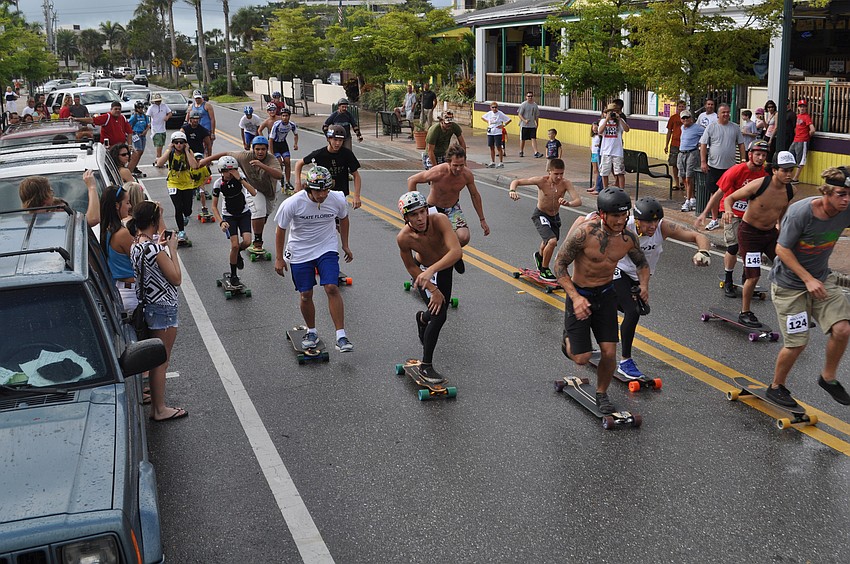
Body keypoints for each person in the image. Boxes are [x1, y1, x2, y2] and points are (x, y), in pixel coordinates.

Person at [570, 197, 711, 379]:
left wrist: (703, 251)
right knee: (632, 310)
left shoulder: (663, 228)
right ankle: (625, 361)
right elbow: (584, 220)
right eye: (648, 222)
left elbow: (699, 236)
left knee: (623, 307)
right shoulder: (623, 226)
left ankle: (595, 319)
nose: (652, 226)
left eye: (655, 221)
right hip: (618, 271)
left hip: (639, 276)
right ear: (637, 220)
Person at [554, 187, 649, 415]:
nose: (620, 220)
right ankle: (568, 341)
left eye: (624, 215)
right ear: (602, 214)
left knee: (608, 352)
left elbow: (642, 264)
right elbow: (559, 265)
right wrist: (575, 297)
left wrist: (644, 285)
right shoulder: (584, 233)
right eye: (615, 216)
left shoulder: (628, 238)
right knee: (582, 358)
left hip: (606, 295)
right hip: (581, 295)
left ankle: (601, 393)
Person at [765, 167, 850, 408]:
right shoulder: (801, 212)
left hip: (822, 279)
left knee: (843, 328)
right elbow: (781, 249)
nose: (846, 199)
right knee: (797, 343)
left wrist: (815, 279)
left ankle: (828, 377)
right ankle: (776, 387)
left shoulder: (847, 209)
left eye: (849, 194)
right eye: (841, 194)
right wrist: (807, 279)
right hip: (789, 285)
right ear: (826, 192)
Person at [274, 165, 354, 353]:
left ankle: (341, 336)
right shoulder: (293, 203)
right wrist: (279, 258)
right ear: (309, 188)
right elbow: (280, 229)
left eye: (326, 189)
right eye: (318, 190)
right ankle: (311, 331)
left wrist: (345, 244)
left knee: (331, 287)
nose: (322, 194)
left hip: (326, 247)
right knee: (306, 294)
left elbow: (344, 218)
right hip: (300, 250)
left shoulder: (336, 199)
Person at [128, 200, 187, 422]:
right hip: (164, 307)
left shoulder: (137, 244)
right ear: (152, 221)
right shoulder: (153, 248)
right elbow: (176, 278)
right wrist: (171, 250)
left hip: (149, 305)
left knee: (156, 360)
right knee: (162, 361)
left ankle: (157, 406)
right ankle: (159, 409)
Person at [724, 150, 797, 328]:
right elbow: (730, 198)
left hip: (771, 234)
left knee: (789, 268)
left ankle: (794, 312)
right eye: (784, 170)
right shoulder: (759, 185)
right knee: (754, 276)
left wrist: (780, 225)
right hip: (749, 235)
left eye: (791, 170)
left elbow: (783, 208)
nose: (788, 174)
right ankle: (745, 312)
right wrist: (728, 210)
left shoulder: (791, 190)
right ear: (774, 170)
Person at [397, 191, 462, 383]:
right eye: (413, 215)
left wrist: (432, 270)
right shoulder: (404, 238)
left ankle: (422, 318)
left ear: (427, 210)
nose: (420, 218)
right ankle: (426, 366)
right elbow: (410, 266)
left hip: (443, 267)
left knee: (436, 312)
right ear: (406, 218)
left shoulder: (440, 219)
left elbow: (456, 250)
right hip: (423, 271)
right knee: (440, 315)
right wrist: (432, 288)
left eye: (422, 212)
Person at [696, 140, 769, 298]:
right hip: (732, 212)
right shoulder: (737, 170)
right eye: (757, 154)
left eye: (763, 155)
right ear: (750, 155)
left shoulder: (765, 174)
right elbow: (718, 193)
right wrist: (704, 213)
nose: (760, 158)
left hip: (750, 215)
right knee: (733, 247)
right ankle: (728, 279)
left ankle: (746, 279)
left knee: (749, 250)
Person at [407, 144, 489, 274]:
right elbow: (412, 180)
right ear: (448, 162)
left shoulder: (466, 175)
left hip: (452, 208)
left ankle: (452, 254)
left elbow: (475, 195)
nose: (458, 169)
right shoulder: (438, 172)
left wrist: (482, 219)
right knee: (431, 242)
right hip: (434, 209)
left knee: (463, 237)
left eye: (461, 165)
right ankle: (421, 262)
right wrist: (414, 211)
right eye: (455, 165)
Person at [202, 136, 283, 253]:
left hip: (271, 190)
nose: (260, 152)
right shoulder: (244, 156)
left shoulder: (271, 159)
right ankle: (258, 242)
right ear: (253, 149)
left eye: (263, 149)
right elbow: (226, 154)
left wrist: (261, 165)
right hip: (254, 188)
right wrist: (206, 160)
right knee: (258, 212)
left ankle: (258, 228)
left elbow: (279, 175)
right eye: (257, 149)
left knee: (264, 215)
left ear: (267, 150)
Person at [508, 158, 581, 281]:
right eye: (556, 174)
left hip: (554, 217)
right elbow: (517, 181)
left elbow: (578, 201)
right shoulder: (541, 181)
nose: (559, 177)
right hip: (540, 214)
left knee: (548, 242)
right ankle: (544, 269)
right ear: (549, 172)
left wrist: (568, 203)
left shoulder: (566, 183)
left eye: (561, 173)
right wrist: (512, 191)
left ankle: (539, 256)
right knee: (552, 241)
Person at [698, 102, 746, 231]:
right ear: (718, 114)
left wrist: (743, 160)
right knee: (714, 193)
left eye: (727, 112)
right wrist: (703, 162)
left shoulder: (735, 127)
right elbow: (703, 144)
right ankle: (714, 219)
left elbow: (741, 144)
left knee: (732, 193)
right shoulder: (711, 127)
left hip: (730, 168)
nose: (726, 114)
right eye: (723, 112)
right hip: (714, 166)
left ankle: (732, 218)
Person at [211, 156, 257, 287]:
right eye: (227, 171)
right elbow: (214, 206)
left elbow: (253, 192)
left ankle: (237, 255)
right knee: (235, 245)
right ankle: (234, 274)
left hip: (243, 213)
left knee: (247, 242)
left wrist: (240, 179)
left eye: (233, 170)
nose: (230, 173)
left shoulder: (240, 178)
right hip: (229, 215)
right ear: (221, 171)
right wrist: (221, 222)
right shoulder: (218, 184)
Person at [295, 125, 361, 208]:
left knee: (341, 218)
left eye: (340, 140)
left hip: (341, 194)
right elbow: (299, 163)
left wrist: (356, 196)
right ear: (328, 139)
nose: (337, 143)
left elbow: (356, 175)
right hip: (323, 194)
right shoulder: (320, 154)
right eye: (335, 140)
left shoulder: (347, 154)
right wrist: (297, 183)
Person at [99, 185, 137, 315]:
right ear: (116, 205)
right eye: (127, 203)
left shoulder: (107, 229)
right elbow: (141, 260)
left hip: (120, 290)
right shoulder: (122, 234)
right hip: (131, 293)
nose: (130, 206)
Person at [155, 131, 199, 243]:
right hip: (173, 183)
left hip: (187, 183)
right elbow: (159, 163)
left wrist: (187, 150)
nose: (179, 144)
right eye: (176, 142)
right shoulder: (170, 152)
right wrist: (169, 149)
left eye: (181, 142)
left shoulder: (188, 152)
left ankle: (187, 216)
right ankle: (181, 231)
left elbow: (194, 166)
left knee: (187, 208)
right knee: (178, 207)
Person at [19, 170, 100, 228]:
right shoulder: (55, 220)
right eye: (50, 191)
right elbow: (93, 219)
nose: (52, 195)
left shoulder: (19, 223)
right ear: (45, 197)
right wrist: (91, 187)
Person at [598, 102, 630, 189]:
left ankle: (621, 190)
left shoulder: (620, 121)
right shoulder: (602, 121)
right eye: (610, 112)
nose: (612, 114)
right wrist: (606, 120)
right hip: (606, 150)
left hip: (617, 151)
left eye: (614, 112)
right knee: (604, 172)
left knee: (620, 172)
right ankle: (605, 190)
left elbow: (627, 129)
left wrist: (619, 119)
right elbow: (600, 131)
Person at [677, 110, 704, 211]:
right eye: (683, 118)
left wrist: (701, 144)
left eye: (687, 117)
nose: (685, 120)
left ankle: (687, 201)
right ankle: (692, 197)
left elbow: (707, 135)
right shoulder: (682, 128)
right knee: (683, 177)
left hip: (692, 153)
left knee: (689, 177)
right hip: (681, 153)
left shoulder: (697, 128)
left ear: (691, 118)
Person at [269, 107, 299, 191]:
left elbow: (296, 134)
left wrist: (295, 144)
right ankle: (280, 178)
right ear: (281, 116)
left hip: (283, 144)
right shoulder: (276, 125)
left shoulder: (292, 125)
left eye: (286, 116)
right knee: (278, 163)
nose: (285, 117)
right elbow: (270, 139)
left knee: (287, 162)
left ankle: (288, 182)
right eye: (283, 116)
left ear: (289, 116)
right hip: (275, 144)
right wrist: (271, 153)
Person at [789, 99, 815, 184]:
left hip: (803, 140)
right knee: (790, 156)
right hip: (796, 139)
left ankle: (796, 178)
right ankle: (789, 175)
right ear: (798, 107)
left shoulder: (806, 117)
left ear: (806, 108)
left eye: (804, 106)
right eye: (801, 106)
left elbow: (812, 129)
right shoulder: (798, 116)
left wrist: (808, 135)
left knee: (801, 159)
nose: (802, 108)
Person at [481, 101, 510, 168]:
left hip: (497, 132)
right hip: (490, 131)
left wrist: (503, 125)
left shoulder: (500, 114)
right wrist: (488, 121)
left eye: (495, 107)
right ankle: (493, 161)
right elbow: (483, 117)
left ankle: (501, 162)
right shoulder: (489, 113)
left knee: (498, 147)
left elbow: (508, 120)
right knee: (491, 147)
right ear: (491, 108)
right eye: (493, 107)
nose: (494, 109)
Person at [665, 101, 686, 190]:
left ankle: (683, 182)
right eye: (680, 106)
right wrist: (666, 144)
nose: (681, 108)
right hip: (674, 144)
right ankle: (676, 183)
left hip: (685, 145)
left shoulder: (687, 118)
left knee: (684, 164)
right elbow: (669, 131)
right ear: (677, 108)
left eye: (683, 107)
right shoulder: (673, 118)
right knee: (674, 164)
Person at [147, 93, 172, 164]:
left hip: (163, 128)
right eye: (156, 101)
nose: (158, 102)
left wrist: (167, 117)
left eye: (159, 101)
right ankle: (158, 158)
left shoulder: (164, 106)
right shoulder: (151, 108)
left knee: (161, 144)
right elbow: (147, 116)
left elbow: (170, 113)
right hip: (155, 129)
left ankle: (159, 158)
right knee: (159, 144)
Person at [517, 91, 542, 158]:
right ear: (526, 97)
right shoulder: (524, 104)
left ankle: (536, 152)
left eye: (531, 96)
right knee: (523, 139)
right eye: (528, 96)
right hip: (524, 125)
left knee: (533, 138)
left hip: (532, 125)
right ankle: (521, 151)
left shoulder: (535, 105)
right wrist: (524, 120)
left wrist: (537, 123)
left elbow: (536, 115)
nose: (530, 97)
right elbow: (519, 114)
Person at [128, 101, 150, 177]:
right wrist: (132, 132)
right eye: (139, 108)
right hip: (136, 134)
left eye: (142, 108)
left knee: (141, 152)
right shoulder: (134, 116)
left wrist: (145, 131)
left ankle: (135, 166)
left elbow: (148, 125)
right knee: (138, 150)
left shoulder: (144, 116)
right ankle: (132, 166)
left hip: (142, 135)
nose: (141, 109)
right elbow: (129, 125)